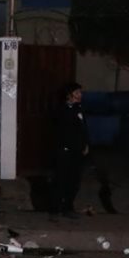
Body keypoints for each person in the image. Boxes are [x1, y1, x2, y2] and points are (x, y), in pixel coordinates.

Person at [50, 82, 89, 220]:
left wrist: (85, 144)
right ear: (69, 95)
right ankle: (55, 210)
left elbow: (83, 129)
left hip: (77, 152)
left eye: (80, 92)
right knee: (61, 180)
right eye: (77, 93)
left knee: (74, 181)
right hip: (65, 151)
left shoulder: (79, 109)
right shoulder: (62, 110)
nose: (80, 95)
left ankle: (68, 207)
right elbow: (62, 132)